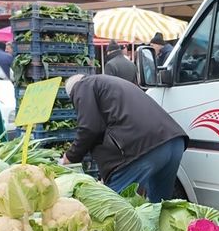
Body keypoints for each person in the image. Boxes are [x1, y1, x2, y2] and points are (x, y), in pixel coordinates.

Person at [59, 73, 187, 203]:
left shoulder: (82, 86)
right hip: (173, 141)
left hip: (144, 148)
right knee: (160, 207)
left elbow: (90, 128)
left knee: (113, 211)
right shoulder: (110, 83)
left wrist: (70, 157)